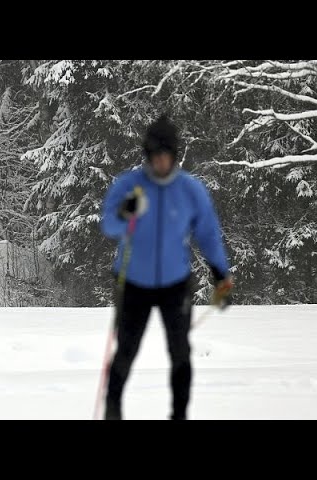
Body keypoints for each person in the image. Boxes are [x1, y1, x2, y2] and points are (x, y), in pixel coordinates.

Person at [100, 113, 233, 420]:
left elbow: (208, 234)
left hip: (175, 284)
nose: (161, 163)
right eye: (155, 156)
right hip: (132, 282)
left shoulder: (190, 190)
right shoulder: (130, 185)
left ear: (175, 155)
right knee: (126, 351)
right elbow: (109, 225)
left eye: (167, 156)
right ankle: (112, 412)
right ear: (147, 156)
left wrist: (220, 274)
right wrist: (124, 212)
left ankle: (179, 415)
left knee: (180, 353)